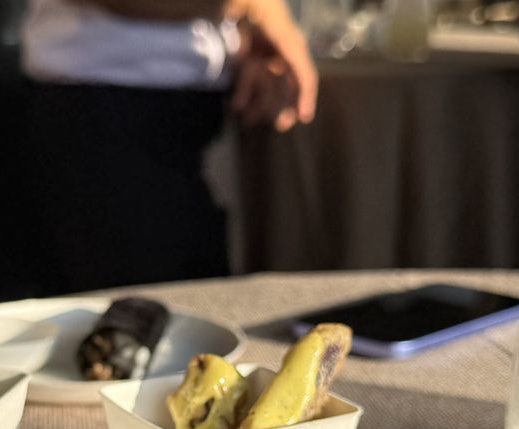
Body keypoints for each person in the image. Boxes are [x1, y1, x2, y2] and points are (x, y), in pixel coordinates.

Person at [24, 0, 318, 294]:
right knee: (139, 304)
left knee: (209, 298)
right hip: (104, 113)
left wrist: (258, 43)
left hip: (202, 107)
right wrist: (254, 8)